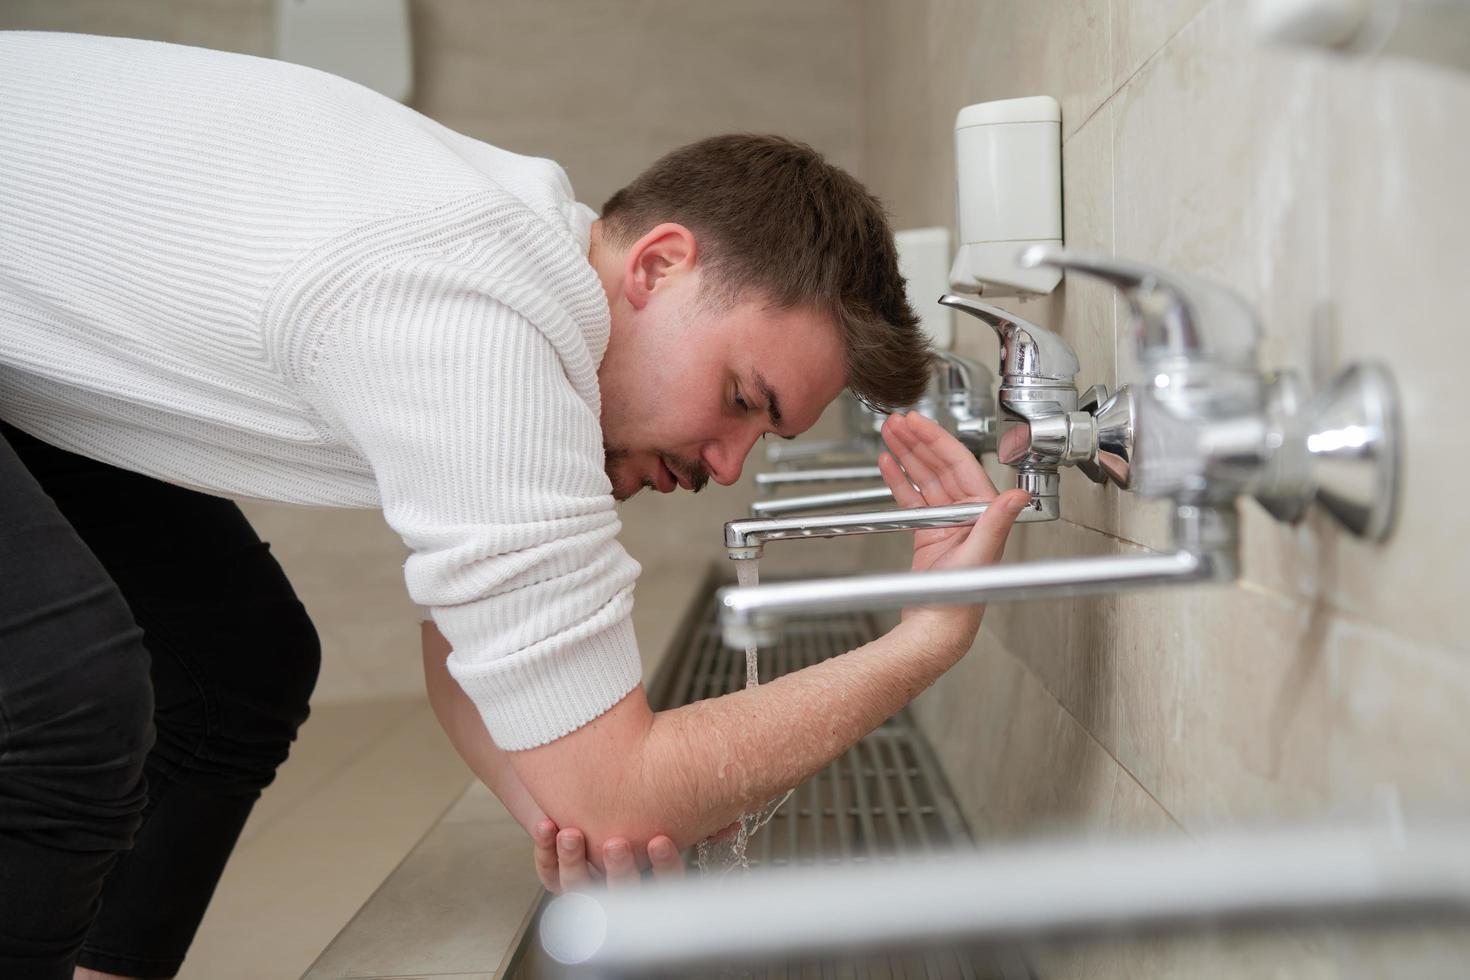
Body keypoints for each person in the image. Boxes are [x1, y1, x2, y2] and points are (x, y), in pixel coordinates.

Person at [0, 31, 1030, 979]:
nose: (726, 463)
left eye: (763, 434)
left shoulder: (528, 274)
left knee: (237, 663)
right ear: (659, 265)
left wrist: (560, 798)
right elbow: (617, 786)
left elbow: (464, 644)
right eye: (739, 400)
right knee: (70, 696)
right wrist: (926, 638)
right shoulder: (475, 313)